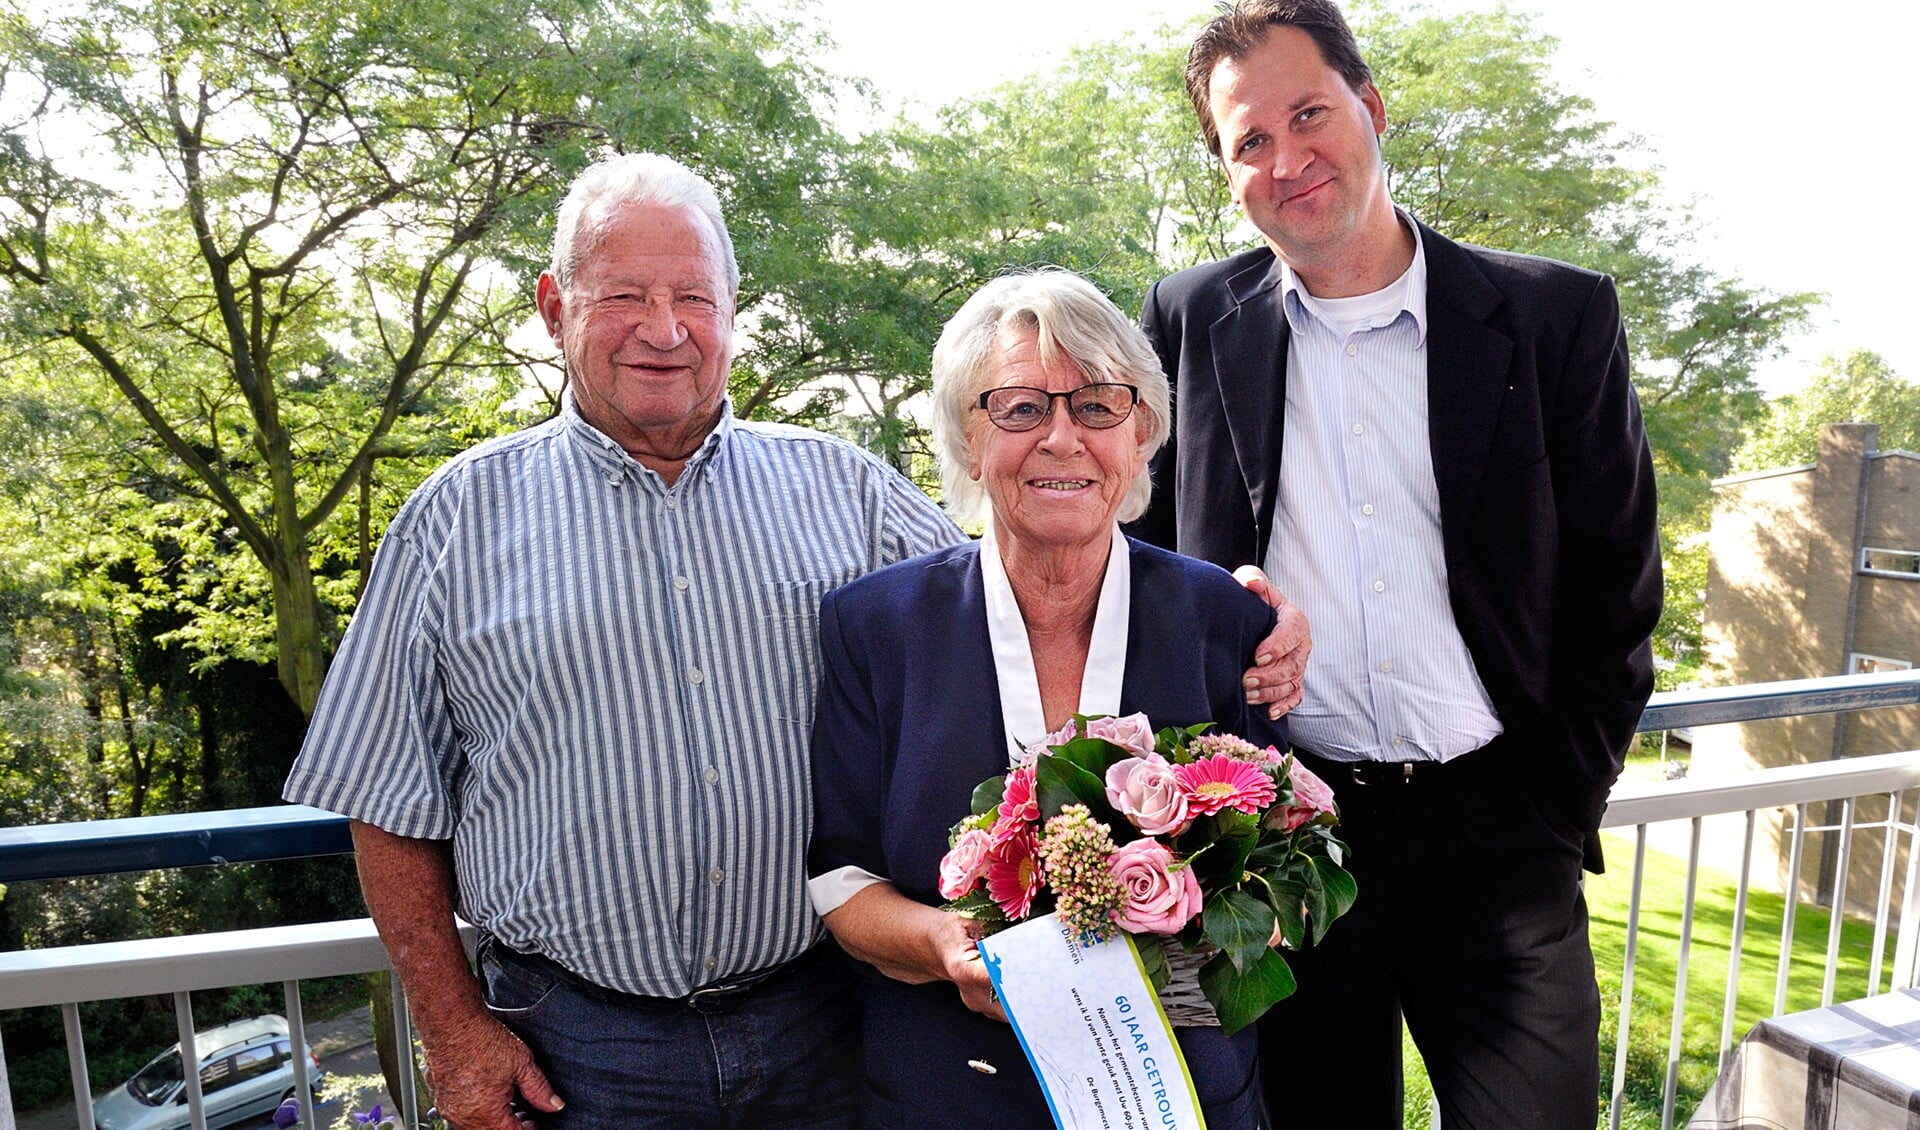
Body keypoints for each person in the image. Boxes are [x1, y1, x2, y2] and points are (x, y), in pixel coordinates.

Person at [283, 155, 1307, 1129]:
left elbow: (1030, 550)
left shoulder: (844, 492)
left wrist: (1252, 604)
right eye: (622, 296)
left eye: (693, 296)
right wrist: (453, 1029)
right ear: (555, 308)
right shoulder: (452, 521)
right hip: (580, 1051)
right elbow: (386, 798)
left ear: (734, 312)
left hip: (821, 1030)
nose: (663, 329)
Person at [1124, 3, 1663, 1128]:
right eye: (1248, 140)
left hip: (1502, 836)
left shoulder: (1554, 315)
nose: (1287, 158)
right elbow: (1147, 572)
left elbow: (1618, 593)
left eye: (1308, 114)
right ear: (1227, 171)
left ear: (1370, 108)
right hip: (1292, 846)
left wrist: (1555, 813)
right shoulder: (1185, 322)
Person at [807, 268, 1282, 1128]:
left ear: (1142, 432)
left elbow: (1274, 864)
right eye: (1022, 408)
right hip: (947, 1094)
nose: (1063, 438)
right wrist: (940, 942)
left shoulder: (1222, 618)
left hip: (1179, 1092)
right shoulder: (875, 628)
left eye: (1098, 405)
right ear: (967, 435)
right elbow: (840, 876)